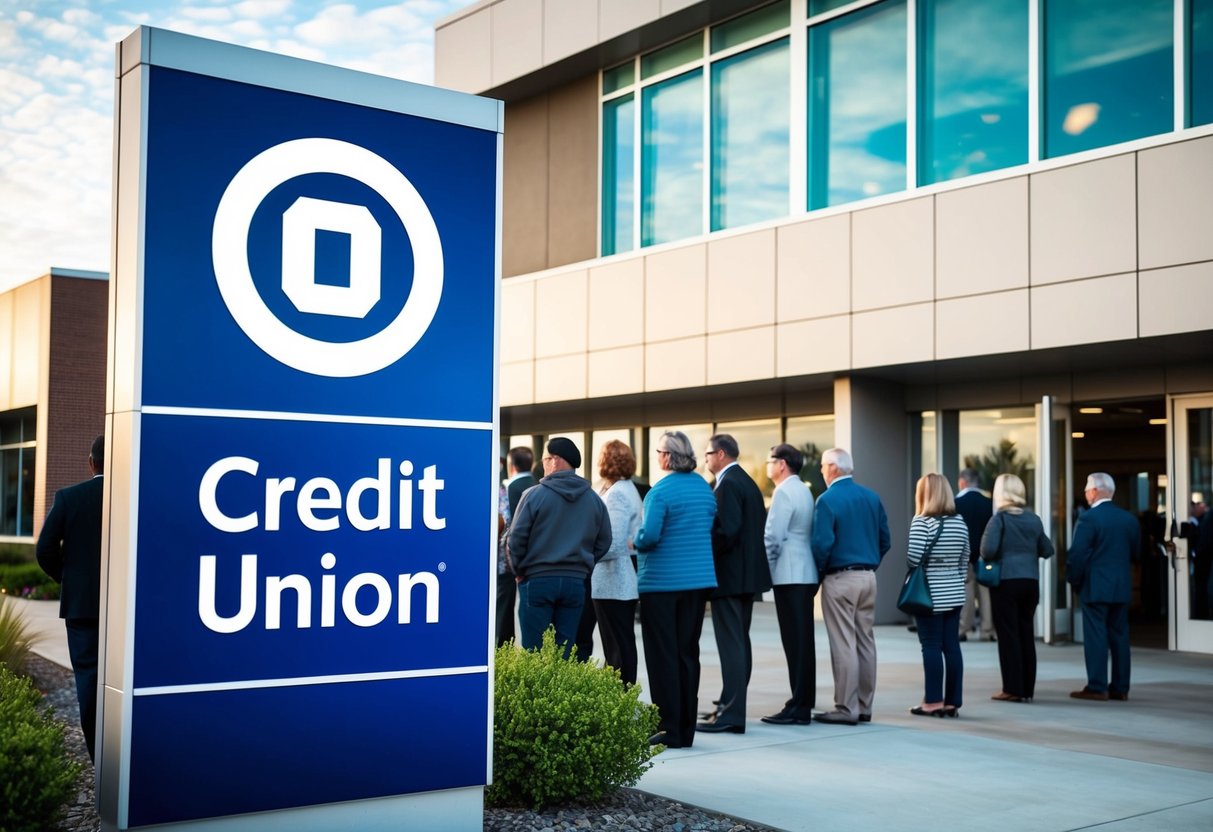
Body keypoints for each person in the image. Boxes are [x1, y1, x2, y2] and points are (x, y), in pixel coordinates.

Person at [633, 430, 717, 749]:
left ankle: (666, 727)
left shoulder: (660, 491)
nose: (657, 457)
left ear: (666, 456)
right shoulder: (704, 489)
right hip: (698, 583)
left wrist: (635, 540)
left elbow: (650, 535)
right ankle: (685, 728)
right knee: (687, 653)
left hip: (662, 583)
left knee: (662, 655)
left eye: (658, 452)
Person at [507, 437, 611, 656]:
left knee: (534, 654)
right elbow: (605, 540)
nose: (543, 465)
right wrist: (583, 566)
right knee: (565, 652)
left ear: (555, 461)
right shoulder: (594, 500)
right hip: (575, 582)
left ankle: (538, 692)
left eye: (545, 459)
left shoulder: (533, 495)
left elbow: (515, 539)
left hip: (536, 579)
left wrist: (520, 570)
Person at [35, 435, 105, 761]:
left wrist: (68, 579)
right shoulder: (139, 497)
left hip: (82, 607)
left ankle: (100, 760)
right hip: (132, 611)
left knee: (89, 680)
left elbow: (45, 550)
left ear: (91, 463)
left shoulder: (69, 498)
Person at [811, 448, 891, 726]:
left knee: (843, 643)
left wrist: (820, 575)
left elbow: (821, 544)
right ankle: (864, 706)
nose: (821, 471)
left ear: (833, 467)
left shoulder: (827, 500)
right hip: (868, 576)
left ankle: (846, 708)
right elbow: (885, 540)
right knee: (865, 642)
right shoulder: (871, 497)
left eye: (823, 466)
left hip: (840, 577)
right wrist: (869, 565)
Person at [699, 434, 771, 735]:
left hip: (730, 577)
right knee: (740, 642)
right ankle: (730, 704)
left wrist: (704, 547)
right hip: (746, 577)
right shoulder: (747, 481)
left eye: (708, 454)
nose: (705, 460)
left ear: (722, 454)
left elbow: (726, 531)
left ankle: (731, 714)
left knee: (732, 645)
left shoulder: (728, 484)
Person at [980, 473, 1054, 703]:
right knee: (1025, 634)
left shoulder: (999, 519)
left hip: (1006, 582)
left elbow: (987, 551)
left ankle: (1012, 688)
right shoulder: (1033, 519)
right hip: (1030, 582)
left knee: (1008, 635)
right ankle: (1027, 689)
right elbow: (1047, 549)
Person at [1067, 472, 1140, 701]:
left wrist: (1073, 580)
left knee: (1096, 635)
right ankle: (1120, 687)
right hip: (1120, 586)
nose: (1086, 494)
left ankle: (1097, 686)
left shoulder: (1089, 519)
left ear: (1096, 491)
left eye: (1088, 490)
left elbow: (1077, 555)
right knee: (1119, 636)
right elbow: (1136, 554)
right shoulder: (1128, 519)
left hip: (1095, 586)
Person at [761, 443, 818, 726]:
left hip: (789, 574)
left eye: (770, 460)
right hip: (804, 573)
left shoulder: (783, 491)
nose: (767, 465)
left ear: (782, 463)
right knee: (803, 642)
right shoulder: (803, 489)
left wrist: (765, 573)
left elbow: (773, 538)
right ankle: (803, 701)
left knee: (795, 644)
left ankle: (799, 705)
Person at [905, 473, 969, 717]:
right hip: (954, 592)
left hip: (929, 594)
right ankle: (952, 702)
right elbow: (965, 558)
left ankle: (932, 701)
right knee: (951, 645)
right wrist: (955, 579)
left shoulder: (922, 522)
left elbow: (913, 558)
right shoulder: (959, 522)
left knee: (930, 645)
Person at [592, 440, 642, 684]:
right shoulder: (624, 488)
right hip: (616, 581)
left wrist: (586, 557)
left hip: (613, 581)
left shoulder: (618, 493)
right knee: (619, 644)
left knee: (617, 647)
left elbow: (613, 542)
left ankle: (621, 699)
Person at [497, 447, 536, 646]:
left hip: (508, 560)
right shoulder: (538, 486)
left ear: (511, 466)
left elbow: (509, 528)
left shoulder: (508, 489)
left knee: (503, 609)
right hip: (534, 560)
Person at [956, 467, 995, 642]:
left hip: (963, 556)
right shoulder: (989, 503)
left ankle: (963, 628)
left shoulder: (956, 503)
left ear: (963, 482)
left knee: (966, 592)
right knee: (985, 594)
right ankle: (987, 630)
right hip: (985, 556)